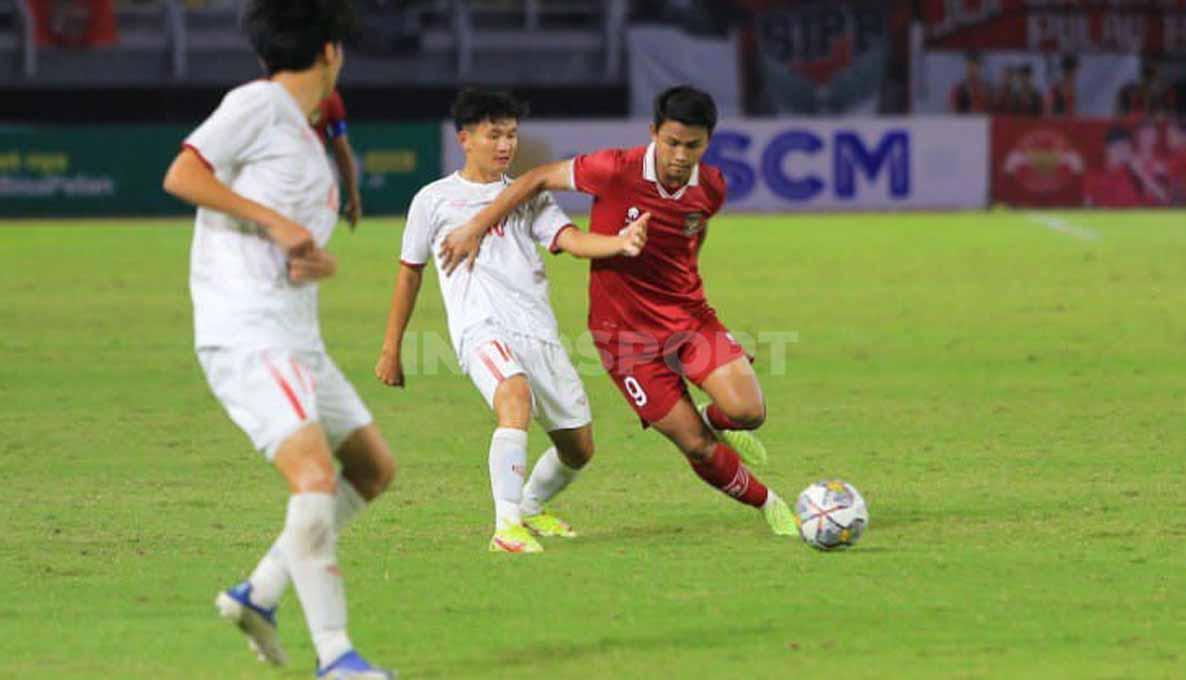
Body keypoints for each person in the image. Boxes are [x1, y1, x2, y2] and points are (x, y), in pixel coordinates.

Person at [438, 86, 799, 537]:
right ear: (653, 133)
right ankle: (772, 505)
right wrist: (475, 226)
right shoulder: (613, 168)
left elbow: (691, 238)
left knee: (748, 411)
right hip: (624, 338)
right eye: (671, 142)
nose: (680, 156)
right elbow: (535, 179)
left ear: (708, 142)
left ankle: (711, 416)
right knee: (699, 447)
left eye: (693, 145)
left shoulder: (711, 188)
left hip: (688, 319)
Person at [161, 1, 395, 677]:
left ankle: (258, 593)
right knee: (314, 477)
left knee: (372, 469)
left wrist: (308, 255)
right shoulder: (259, 104)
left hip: (297, 336)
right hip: (249, 332)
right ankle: (337, 657)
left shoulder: (301, 136)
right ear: (330, 53)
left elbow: (290, 241)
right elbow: (184, 173)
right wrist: (274, 225)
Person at [374, 89, 648, 553]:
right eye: (494, 135)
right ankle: (506, 528)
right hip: (480, 328)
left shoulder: (526, 196)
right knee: (514, 396)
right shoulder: (433, 200)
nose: (505, 145)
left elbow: (571, 240)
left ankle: (531, 505)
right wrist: (390, 348)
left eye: (512, 135)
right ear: (465, 138)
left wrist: (619, 243)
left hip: (537, 330)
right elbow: (409, 274)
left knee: (578, 448)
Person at [311, 88, 364, 228]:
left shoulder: (328, 96)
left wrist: (353, 196)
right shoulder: (267, 94)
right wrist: (353, 197)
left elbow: (341, 149)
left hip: (311, 183)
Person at [1083, 126, 1163, 208]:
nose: (1122, 152)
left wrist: (1140, 172)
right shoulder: (1093, 174)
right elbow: (1087, 206)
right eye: (1118, 147)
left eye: (1126, 148)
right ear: (1107, 149)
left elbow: (1162, 197)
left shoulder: (1134, 173)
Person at [1164, 118, 1186, 204]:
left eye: (1172, 135)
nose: (1168, 138)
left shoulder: (1182, 157)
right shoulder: (1177, 157)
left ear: (1185, 136)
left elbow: (1178, 192)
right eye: (1168, 135)